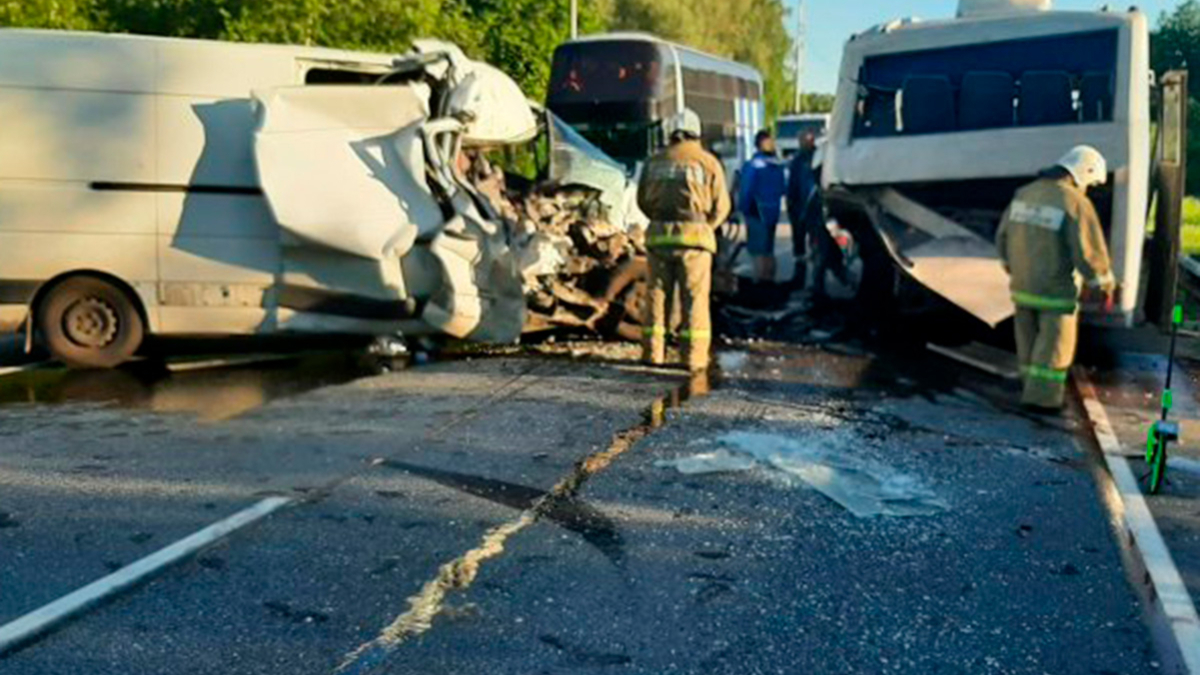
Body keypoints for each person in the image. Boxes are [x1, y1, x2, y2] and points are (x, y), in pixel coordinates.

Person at [996, 145, 1116, 411]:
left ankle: (1030, 386)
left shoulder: (1024, 193)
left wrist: (1011, 267)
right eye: (1092, 182)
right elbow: (1089, 252)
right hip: (1054, 292)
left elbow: (1002, 237)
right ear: (1084, 173)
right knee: (1055, 348)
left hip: (1022, 288)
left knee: (1028, 344)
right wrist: (1104, 285)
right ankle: (1042, 400)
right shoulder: (1075, 202)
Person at [637, 108, 731, 372]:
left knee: (656, 295)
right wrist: (705, 226)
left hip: (658, 238)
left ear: (670, 133)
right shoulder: (708, 162)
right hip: (695, 240)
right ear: (696, 132)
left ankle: (653, 354)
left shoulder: (653, 161)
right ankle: (692, 358)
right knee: (694, 298)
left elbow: (642, 200)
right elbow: (722, 206)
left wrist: (659, 219)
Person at [785, 131, 843, 297]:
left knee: (818, 248)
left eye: (808, 139)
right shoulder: (798, 160)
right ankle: (801, 278)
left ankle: (818, 284)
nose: (806, 142)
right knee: (801, 248)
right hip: (800, 209)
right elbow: (792, 187)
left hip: (815, 210)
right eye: (803, 139)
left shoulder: (819, 158)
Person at [738, 130, 787, 283]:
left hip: (756, 210)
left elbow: (746, 189)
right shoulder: (777, 164)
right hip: (772, 210)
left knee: (758, 251)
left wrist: (742, 208)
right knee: (768, 250)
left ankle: (761, 283)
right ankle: (770, 281)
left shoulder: (753, 165)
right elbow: (783, 187)